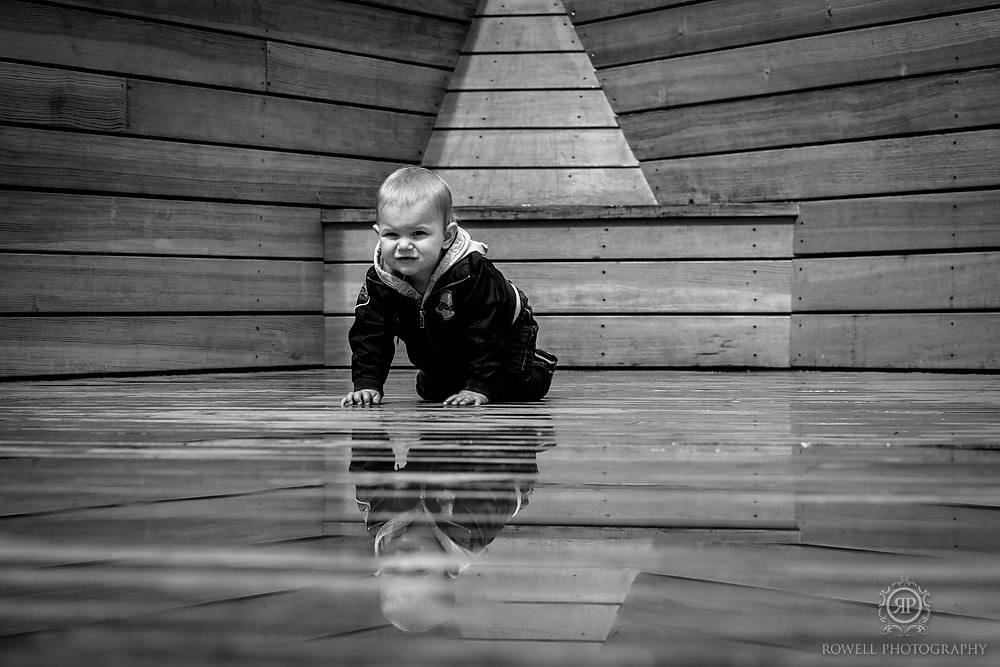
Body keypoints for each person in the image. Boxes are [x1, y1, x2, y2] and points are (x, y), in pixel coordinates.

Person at [340, 167, 557, 407]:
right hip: (442, 342)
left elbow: (486, 331)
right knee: (432, 391)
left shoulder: (470, 273)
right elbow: (369, 333)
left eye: (418, 233)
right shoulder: (380, 281)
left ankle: (538, 363)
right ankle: (453, 377)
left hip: (504, 332)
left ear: (446, 235)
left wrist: (478, 388)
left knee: (514, 387)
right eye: (392, 235)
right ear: (378, 233)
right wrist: (367, 383)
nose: (403, 245)